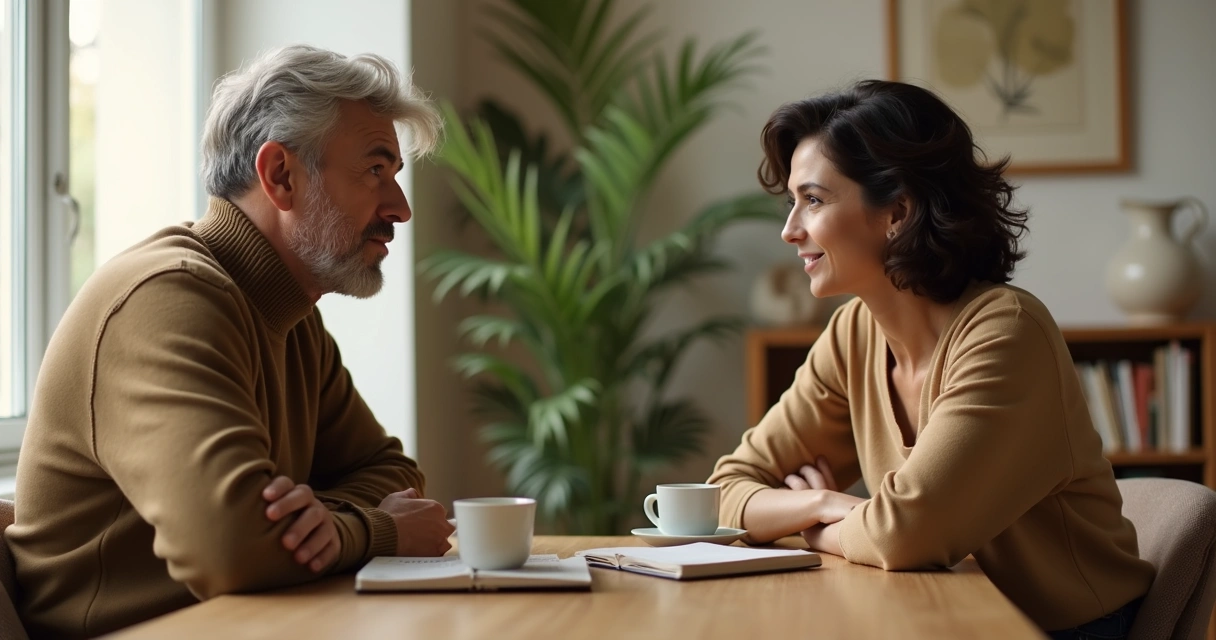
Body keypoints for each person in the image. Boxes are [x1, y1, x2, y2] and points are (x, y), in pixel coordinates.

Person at [7, 45, 455, 638]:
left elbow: (393, 472)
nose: (400, 208)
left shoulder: (292, 317)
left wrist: (330, 517)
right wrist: (378, 531)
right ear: (280, 176)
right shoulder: (166, 300)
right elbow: (231, 548)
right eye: (376, 170)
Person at [707, 80, 1153, 639]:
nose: (789, 229)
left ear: (896, 211)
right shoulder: (852, 334)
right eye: (792, 201)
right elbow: (724, 490)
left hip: (1063, 629)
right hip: (935, 616)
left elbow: (903, 536)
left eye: (814, 200)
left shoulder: (1005, 334)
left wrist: (813, 528)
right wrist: (822, 504)